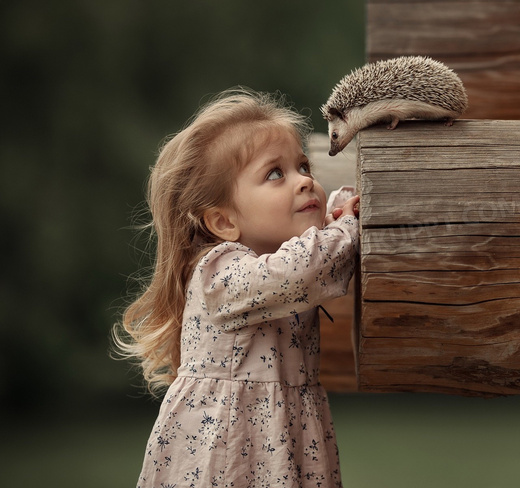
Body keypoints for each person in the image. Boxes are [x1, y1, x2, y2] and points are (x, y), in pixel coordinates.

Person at [115, 87, 359, 488]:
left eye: (304, 166)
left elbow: (309, 263)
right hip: (226, 446)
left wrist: (337, 217)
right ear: (224, 223)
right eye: (275, 174)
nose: (303, 181)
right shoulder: (219, 273)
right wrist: (346, 227)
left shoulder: (291, 260)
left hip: (287, 433)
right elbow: (300, 271)